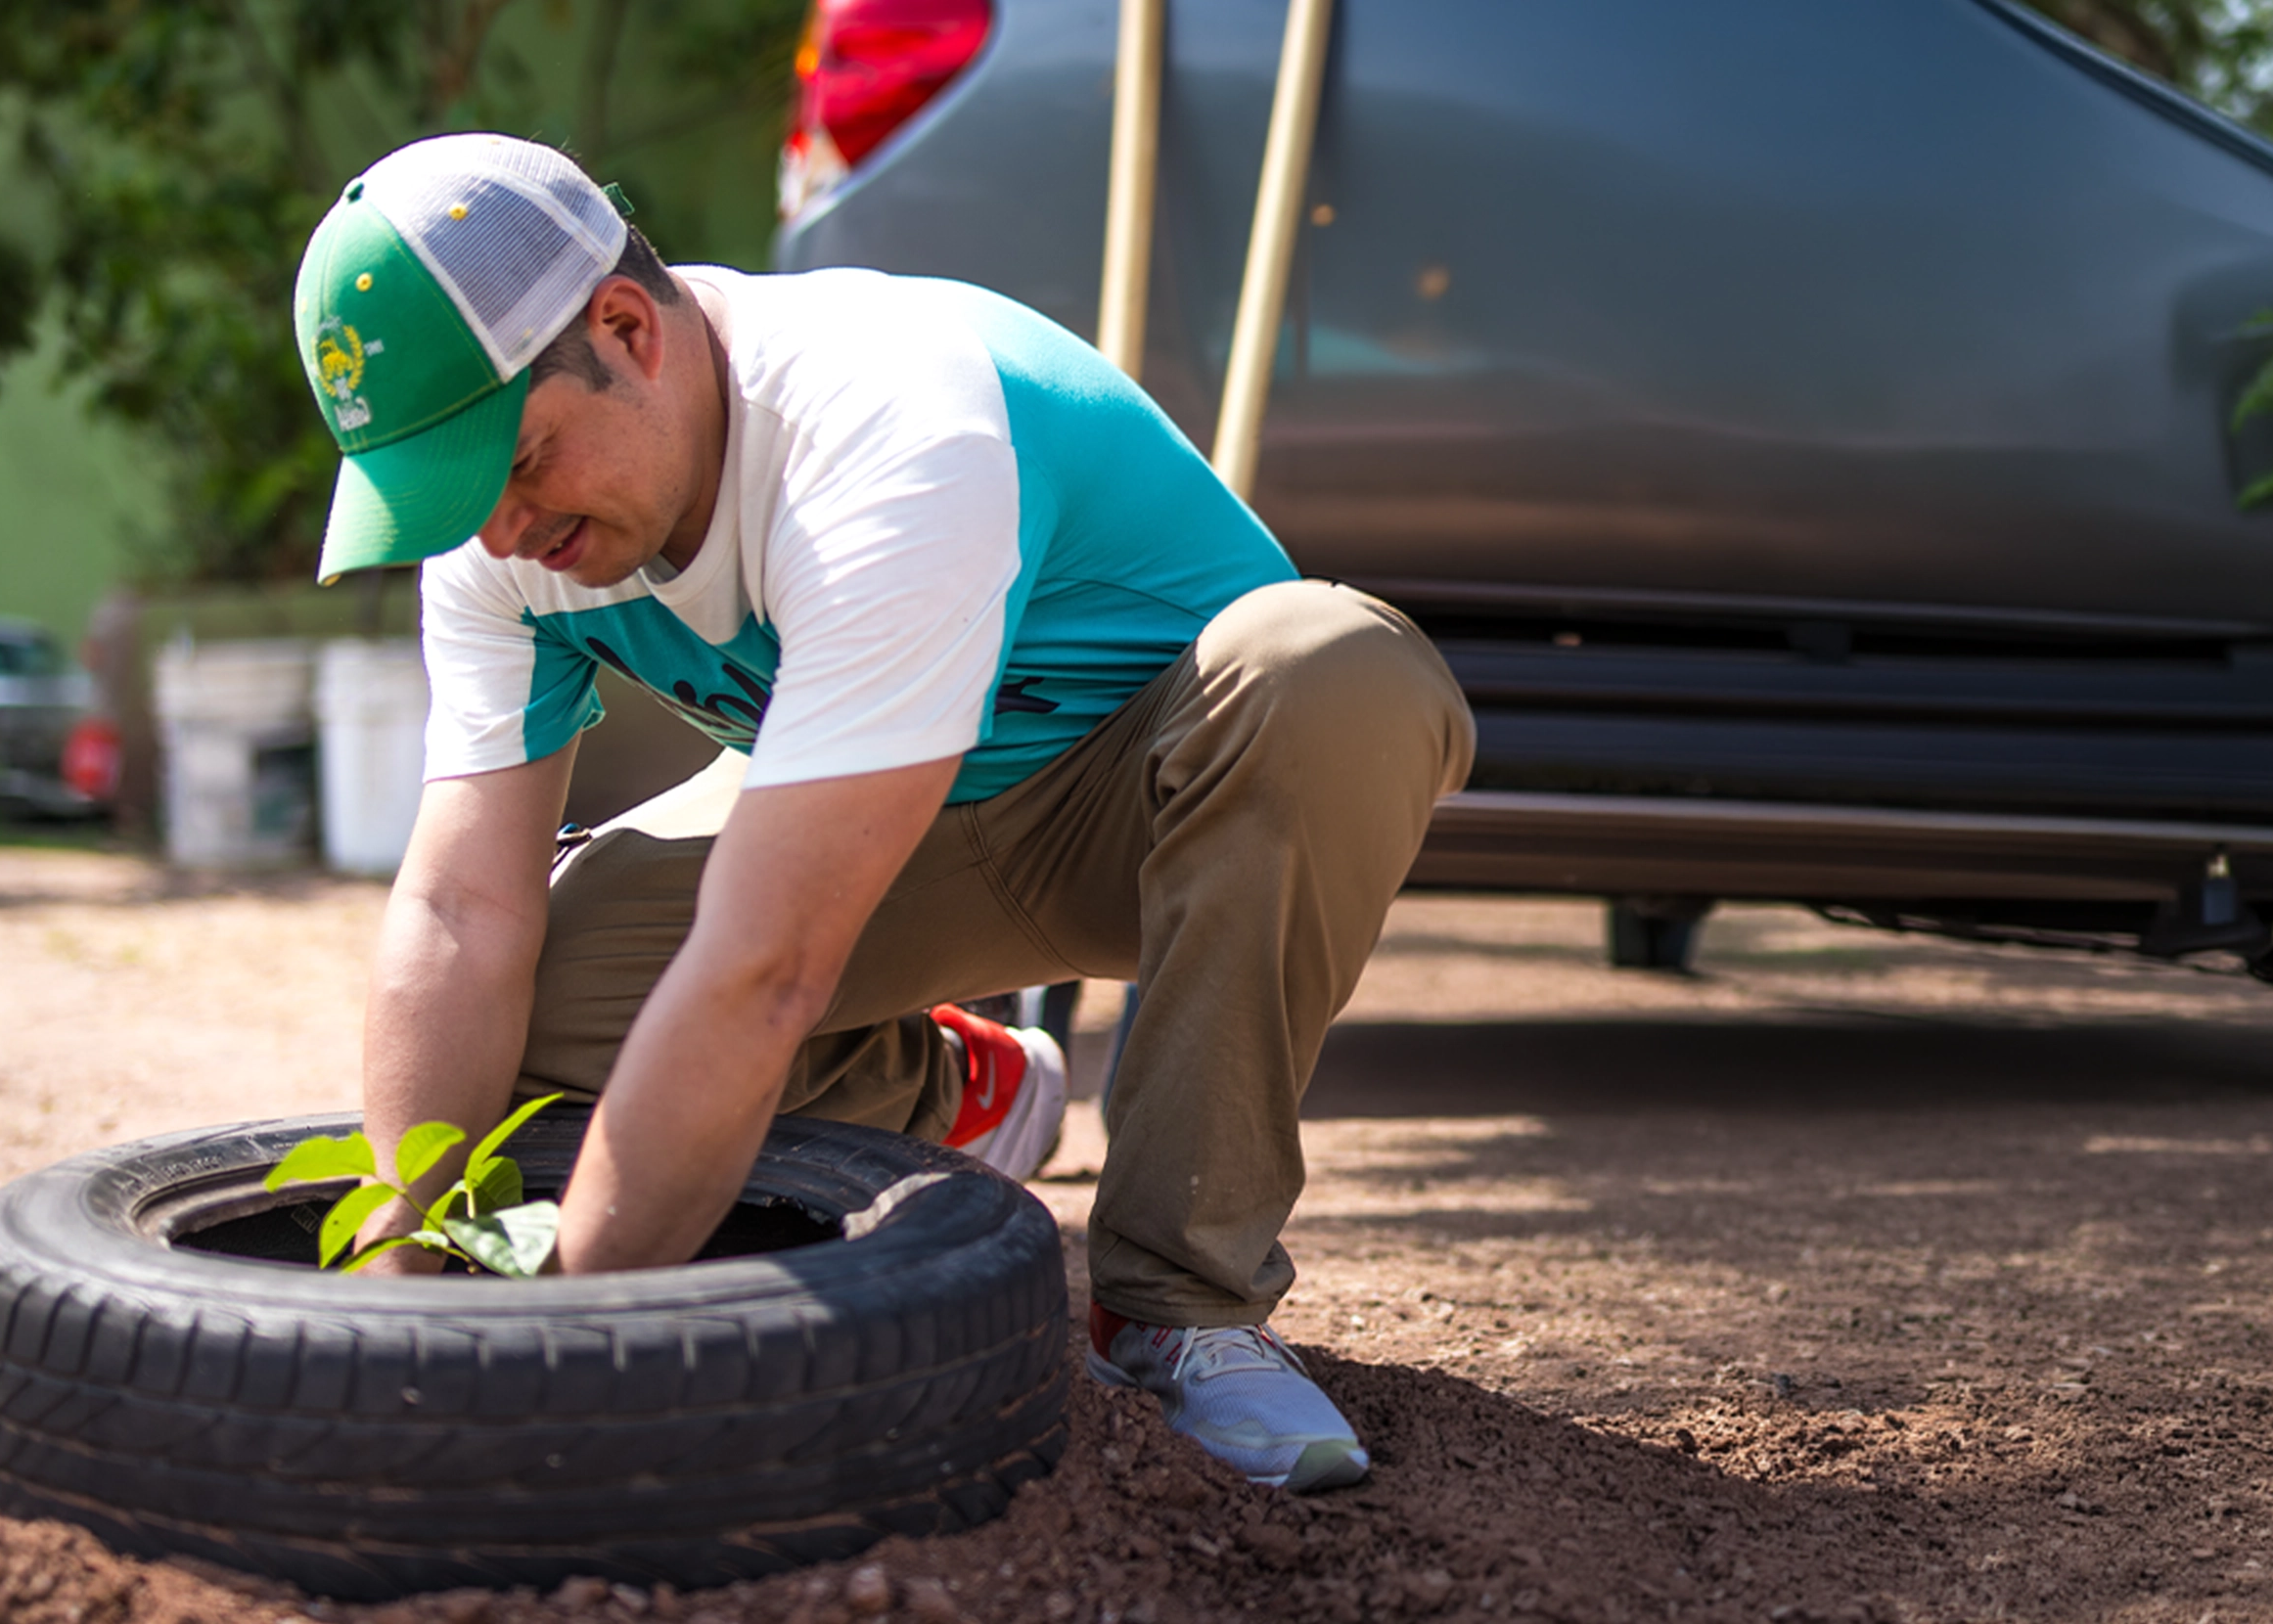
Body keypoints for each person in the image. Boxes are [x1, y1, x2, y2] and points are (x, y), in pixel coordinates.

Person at [291, 133, 1474, 1493]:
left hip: (1152, 802)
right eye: (449, 492)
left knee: (1327, 671)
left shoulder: (886, 424)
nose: (497, 530)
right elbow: (459, 910)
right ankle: (957, 1091)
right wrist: (400, 1281)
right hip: (872, 811)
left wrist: (559, 1356)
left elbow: (763, 966)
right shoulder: (506, 545)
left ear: (627, 330)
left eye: (516, 462)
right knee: (549, 990)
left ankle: (1176, 1305)